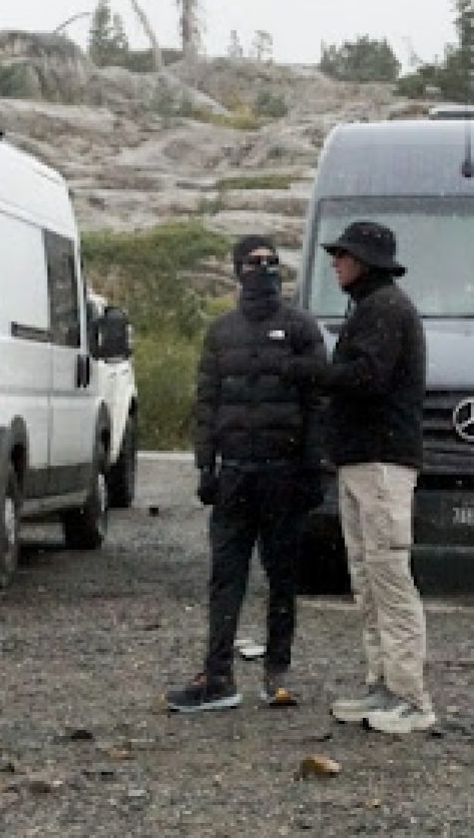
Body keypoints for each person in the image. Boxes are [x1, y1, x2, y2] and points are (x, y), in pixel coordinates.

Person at [166, 234, 327, 713]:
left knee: (282, 577)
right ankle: (217, 676)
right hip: (235, 473)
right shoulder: (221, 332)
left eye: (272, 262)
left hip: (283, 474)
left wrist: (312, 470)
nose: (265, 270)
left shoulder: (301, 328)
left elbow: (317, 403)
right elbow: (206, 403)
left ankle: (277, 673)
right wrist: (205, 466)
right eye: (255, 263)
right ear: (238, 270)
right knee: (225, 578)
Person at [299, 220, 434, 734]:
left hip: (382, 460)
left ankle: (410, 695)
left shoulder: (385, 310)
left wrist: (308, 373)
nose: (335, 261)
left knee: (388, 575)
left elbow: (367, 379)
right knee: (367, 574)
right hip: (363, 459)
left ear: (365, 261)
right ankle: (383, 681)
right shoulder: (373, 308)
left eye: (343, 255)